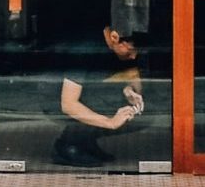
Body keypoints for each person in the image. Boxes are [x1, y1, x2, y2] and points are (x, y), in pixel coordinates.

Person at [52, 25, 145, 166]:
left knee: (137, 105)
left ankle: (85, 140)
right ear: (114, 37)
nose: (133, 56)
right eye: (131, 51)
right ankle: (68, 145)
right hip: (54, 98)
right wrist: (110, 123)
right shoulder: (85, 49)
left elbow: (134, 76)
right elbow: (68, 104)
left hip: (87, 93)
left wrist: (130, 90)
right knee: (109, 98)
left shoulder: (122, 49)